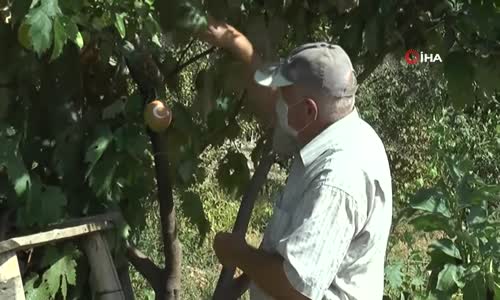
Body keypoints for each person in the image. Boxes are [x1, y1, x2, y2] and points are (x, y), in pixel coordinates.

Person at [198, 17, 393, 300]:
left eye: (284, 98)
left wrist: (237, 253)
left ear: (308, 111)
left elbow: (297, 289)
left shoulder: (338, 178)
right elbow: (268, 100)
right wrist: (237, 44)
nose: (277, 102)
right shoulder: (335, 131)